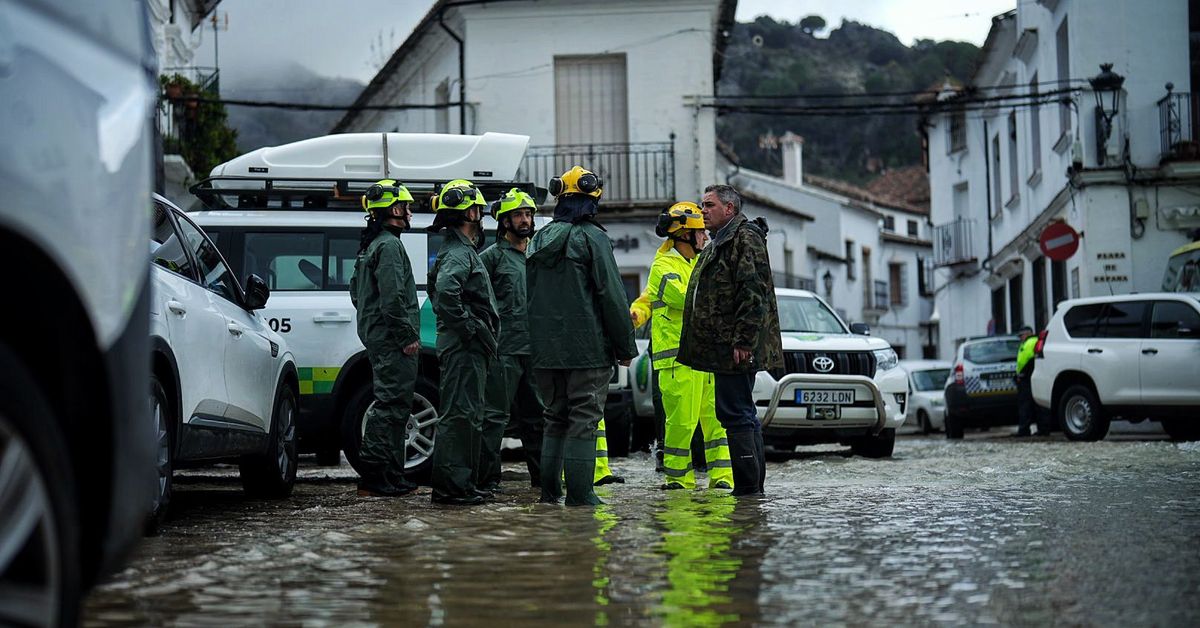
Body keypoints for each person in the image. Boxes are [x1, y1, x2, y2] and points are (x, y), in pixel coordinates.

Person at [527, 166, 637, 506]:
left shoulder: (539, 238)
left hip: (545, 351)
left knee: (554, 418)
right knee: (583, 421)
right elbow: (612, 296)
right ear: (592, 200)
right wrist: (624, 346)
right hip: (587, 350)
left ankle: (549, 494)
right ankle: (580, 494)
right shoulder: (593, 238)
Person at [678, 184, 782, 497]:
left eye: (709, 205)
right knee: (739, 412)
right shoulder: (721, 241)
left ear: (729, 209)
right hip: (724, 346)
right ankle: (751, 489)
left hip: (735, 347)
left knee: (736, 413)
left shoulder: (743, 237)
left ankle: (748, 490)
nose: (702, 211)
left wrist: (744, 342)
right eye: (701, 205)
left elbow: (752, 292)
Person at [630, 202, 734, 491]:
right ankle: (678, 480)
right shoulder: (663, 266)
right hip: (678, 360)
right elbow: (688, 298)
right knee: (682, 423)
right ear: (684, 235)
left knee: (716, 422)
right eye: (700, 232)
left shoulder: (699, 262)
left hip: (705, 358)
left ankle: (723, 477)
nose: (705, 237)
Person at [427, 179, 500, 505]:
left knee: (469, 415)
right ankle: (452, 488)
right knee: (459, 416)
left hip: (468, 346)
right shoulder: (458, 252)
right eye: (479, 208)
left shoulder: (462, 250)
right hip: (463, 347)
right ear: (469, 212)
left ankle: (463, 484)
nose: (482, 213)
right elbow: (445, 292)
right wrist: (469, 327)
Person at [349, 179, 421, 497]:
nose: (410, 213)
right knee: (391, 405)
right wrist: (405, 335)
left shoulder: (372, 245)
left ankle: (392, 474)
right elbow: (392, 298)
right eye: (407, 207)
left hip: (380, 337)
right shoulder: (389, 246)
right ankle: (375, 476)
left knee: (397, 406)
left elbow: (356, 292)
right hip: (392, 341)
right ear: (393, 210)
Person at [477, 188, 544, 491]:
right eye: (518, 215)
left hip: (535, 350)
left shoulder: (538, 254)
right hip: (503, 351)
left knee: (538, 419)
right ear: (504, 221)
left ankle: (543, 481)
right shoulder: (490, 259)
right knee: (493, 419)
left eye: (528, 214)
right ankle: (488, 482)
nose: (525, 220)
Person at [1015, 326, 1037, 437]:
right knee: (1029, 404)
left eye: (1021, 335)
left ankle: (1024, 430)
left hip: (1027, 378)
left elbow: (1032, 360)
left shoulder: (1031, 342)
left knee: (1026, 405)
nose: (1020, 338)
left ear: (1028, 334)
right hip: (1025, 378)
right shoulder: (1027, 343)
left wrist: (1023, 374)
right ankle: (1030, 429)